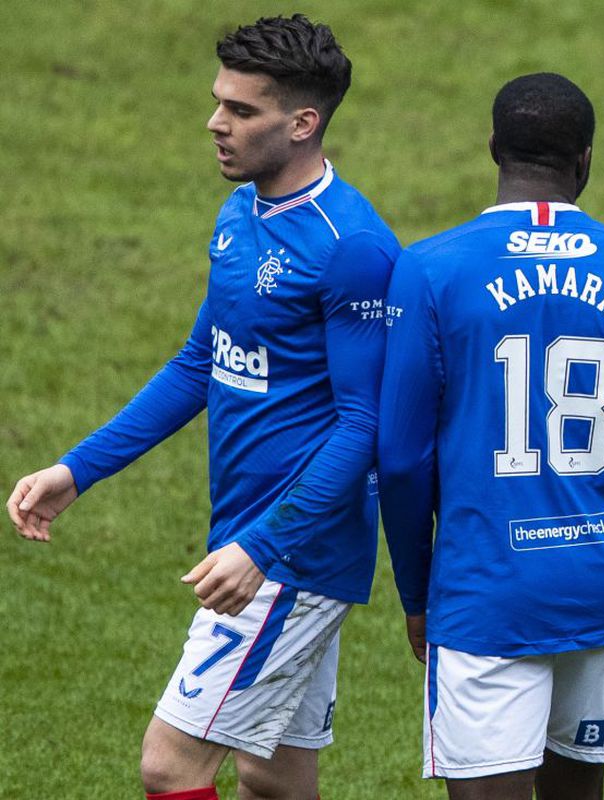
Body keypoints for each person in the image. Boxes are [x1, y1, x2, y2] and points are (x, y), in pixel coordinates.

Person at [6, 15, 399, 800]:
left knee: (170, 764)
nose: (215, 123)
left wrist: (262, 548)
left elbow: (365, 424)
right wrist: (78, 470)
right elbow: (201, 365)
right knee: (274, 775)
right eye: (219, 102)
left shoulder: (350, 248)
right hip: (254, 543)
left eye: (242, 111)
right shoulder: (240, 214)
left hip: (291, 553)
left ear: (302, 122)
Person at [377, 73, 604, 800]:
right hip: (596, 586)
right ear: (585, 160)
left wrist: (414, 588)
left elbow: (400, 460)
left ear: (494, 148)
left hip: (482, 590)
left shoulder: (430, 270)